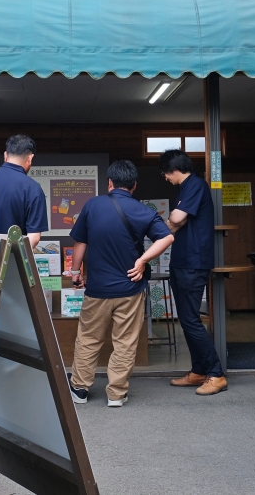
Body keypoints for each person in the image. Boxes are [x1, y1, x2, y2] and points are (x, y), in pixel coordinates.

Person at [67, 161, 173, 407]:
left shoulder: (92, 205)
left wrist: (75, 272)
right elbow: (167, 237)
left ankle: (80, 389)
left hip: (98, 290)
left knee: (88, 339)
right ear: (134, 186)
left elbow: (80, 242)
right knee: (125, 342)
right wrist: (142, 261)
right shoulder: (143, 211)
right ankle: (116, 394)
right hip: (130, 288)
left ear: (110, 183)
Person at [160, 150, 227, 396]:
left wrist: (173, 221)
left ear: (174, 169)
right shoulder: (186, 188)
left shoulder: (196, 185)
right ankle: (199, 371)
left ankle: (216, 374)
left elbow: (177, 218)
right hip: (182, 261)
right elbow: (175, 224)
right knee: (186, 318)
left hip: (193, 262)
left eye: (165, 173)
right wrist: (173, 223)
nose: (165, 178)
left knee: (190, 319)